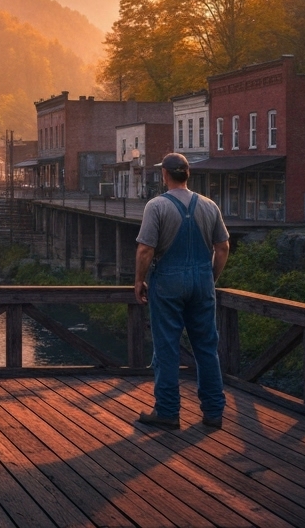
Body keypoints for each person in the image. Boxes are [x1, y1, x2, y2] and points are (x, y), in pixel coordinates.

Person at [133, 152, 230, 429]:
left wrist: (139, 281)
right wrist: (210, 277)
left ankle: (167, 411)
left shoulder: (157, 206)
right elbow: (223, 247)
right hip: (202, 282)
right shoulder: (209, 205)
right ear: (188, 174)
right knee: (206, 348)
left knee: (167, 347)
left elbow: (145, 249)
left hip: (168, 282)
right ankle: (213, 412)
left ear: (164, 175)